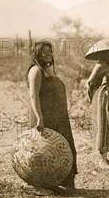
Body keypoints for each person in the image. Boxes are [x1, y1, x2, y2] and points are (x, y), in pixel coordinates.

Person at [27, 41, 77, 189]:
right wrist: (39, 118)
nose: (49, 54)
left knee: (63, 149)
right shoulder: (36, 71)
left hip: (59, 117)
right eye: (45, 52)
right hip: (45, 117)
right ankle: (45, 185)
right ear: (37, 54)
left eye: (50, 51)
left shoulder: (50, 70)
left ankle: (63, 182)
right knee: (46, 151)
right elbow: (33, 96)